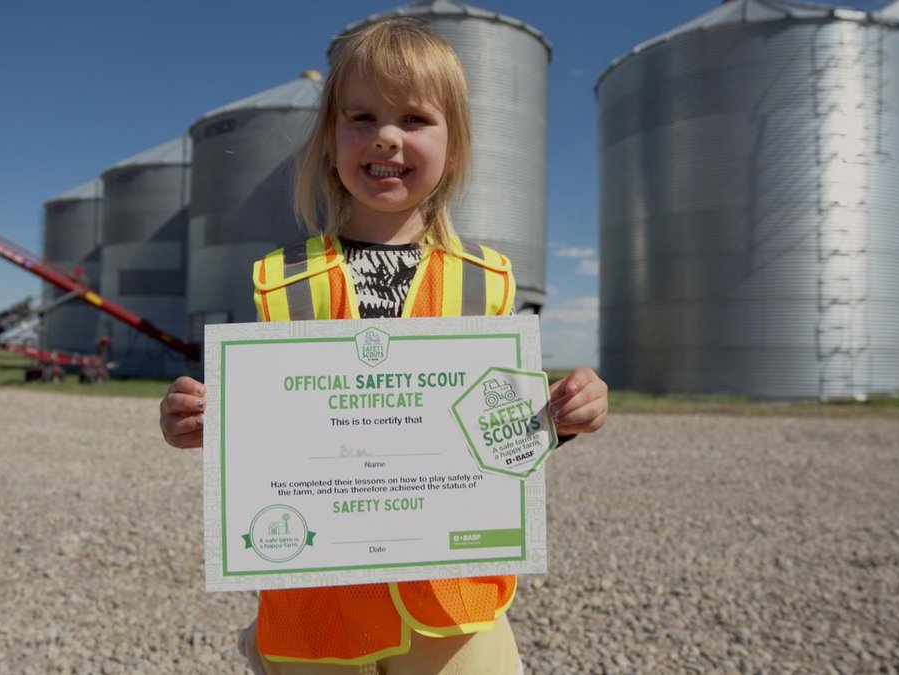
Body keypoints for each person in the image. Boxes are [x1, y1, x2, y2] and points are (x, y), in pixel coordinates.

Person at [159, 18, 608, 675]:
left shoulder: (484, 283)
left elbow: (500, 442)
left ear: (454, 146)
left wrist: (561, 416)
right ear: (330, 140)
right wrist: (197, 419)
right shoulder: (283, 280)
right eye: (361, 117)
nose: (386, 137)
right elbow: (265, 431)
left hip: (452, 609)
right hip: (317, 607)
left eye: (415, 119)